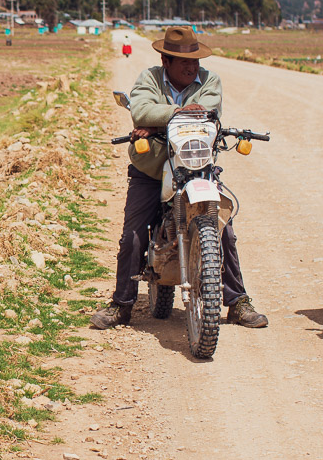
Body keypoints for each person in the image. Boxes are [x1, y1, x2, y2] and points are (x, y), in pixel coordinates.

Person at [92, 26, 268, 330]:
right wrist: (177, 112)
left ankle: (237, 301)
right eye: (183, 62)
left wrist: (159, 121)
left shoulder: (210, 80)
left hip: (195, 165)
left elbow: (209, 111)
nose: (192, 67)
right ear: (165, 61)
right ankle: (121, 305)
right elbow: (142, 111)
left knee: (222, 227)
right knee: (132, 236)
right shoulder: (148, 78)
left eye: (195, 61)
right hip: (151, 169)